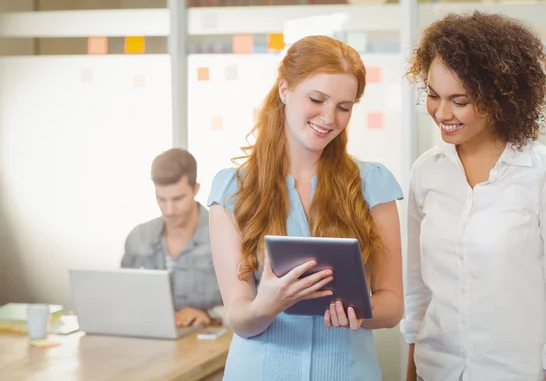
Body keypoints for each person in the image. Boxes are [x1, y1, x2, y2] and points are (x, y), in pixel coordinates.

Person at [401, 11, 546, 381]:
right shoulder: (426, 172)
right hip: (436, 371)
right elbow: (417, 292)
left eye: (460, 100)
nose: (442, 112)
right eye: (434, 95)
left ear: (500, 97)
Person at [207, 35, 404, 380]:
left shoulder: (373, 184)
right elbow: (239, 316)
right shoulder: (232, 189)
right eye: (317, 99)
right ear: (285, 90)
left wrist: (358, 310)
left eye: (344, 107)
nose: (329, 118)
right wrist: (265, 306)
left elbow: (392, 305)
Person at [121, 148, 224, 327]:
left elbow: (253, 302)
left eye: (177, 199)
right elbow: (122, 297)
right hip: (151, 341)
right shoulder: (139, 237)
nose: (169, 210)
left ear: (196, 189)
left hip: (211, 343)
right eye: (161, 199)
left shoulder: (225, 235)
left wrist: (210, 315)